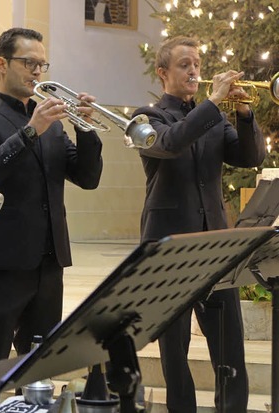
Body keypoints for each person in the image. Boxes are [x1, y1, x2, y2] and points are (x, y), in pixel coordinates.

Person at [0, 27, 104, 413]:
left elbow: (87, 178)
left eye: (42, 64)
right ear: (2, 64)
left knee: (37, 367)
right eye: (29, 63)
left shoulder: (54, 122)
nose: (38, 71)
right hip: (0, 264)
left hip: (48, 262)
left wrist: (86, 130)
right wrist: (30, 131)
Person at [133, 35, 265, 413]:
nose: (194, 71)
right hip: (168, 250)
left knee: (231, 354)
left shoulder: (212, 118)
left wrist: (243, 115)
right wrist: (212, 103)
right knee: (175, 360)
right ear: (163, 73)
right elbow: (171, 143)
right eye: (184, 65)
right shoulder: (146, 118)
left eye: (197, 65)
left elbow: (250, 157)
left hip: (216, 248)